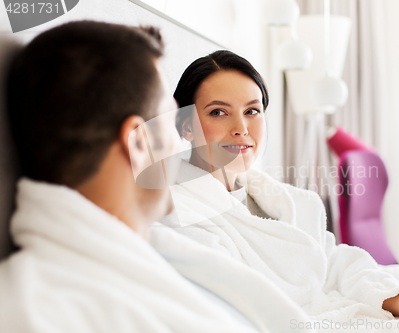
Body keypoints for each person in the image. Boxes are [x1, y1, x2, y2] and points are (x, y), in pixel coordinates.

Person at [0, 21, 318, 333]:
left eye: (253, 110)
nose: (179, 137)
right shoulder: (34, 311)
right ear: (141, 143)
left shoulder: (157, 262)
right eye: (171, 118)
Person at [152, 50, 399, 333]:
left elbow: (334, 262)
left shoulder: (282, 201)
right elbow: (259, 317)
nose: (241, 129)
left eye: (252, 111)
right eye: (218, 112)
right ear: (186, 126)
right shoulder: (181, 215)